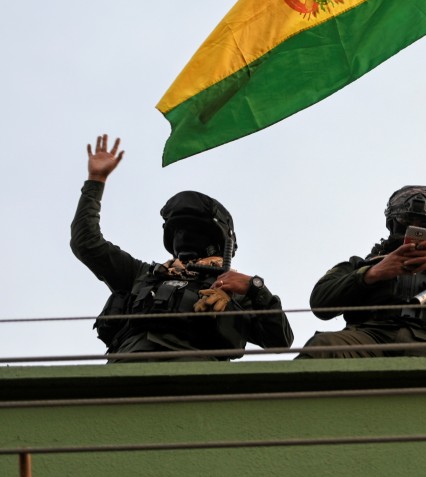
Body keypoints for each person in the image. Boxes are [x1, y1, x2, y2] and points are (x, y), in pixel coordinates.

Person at [70, 134, 294, 361]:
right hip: (128, 371)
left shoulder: (231, 287)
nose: (184, 237)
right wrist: (95, 181)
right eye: (178, 231)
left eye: (194, 230)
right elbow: (87, 243)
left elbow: (281, 340)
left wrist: (255, 288)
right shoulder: (144, 275)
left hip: (195, 380)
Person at [299, 185, 426, 358]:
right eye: (407, 220)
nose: (415, 227)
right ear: (393, 222)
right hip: (368, 336)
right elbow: (319, 302)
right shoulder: (358, 265)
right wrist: (371, 274)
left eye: (424, 224)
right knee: (322, 347)